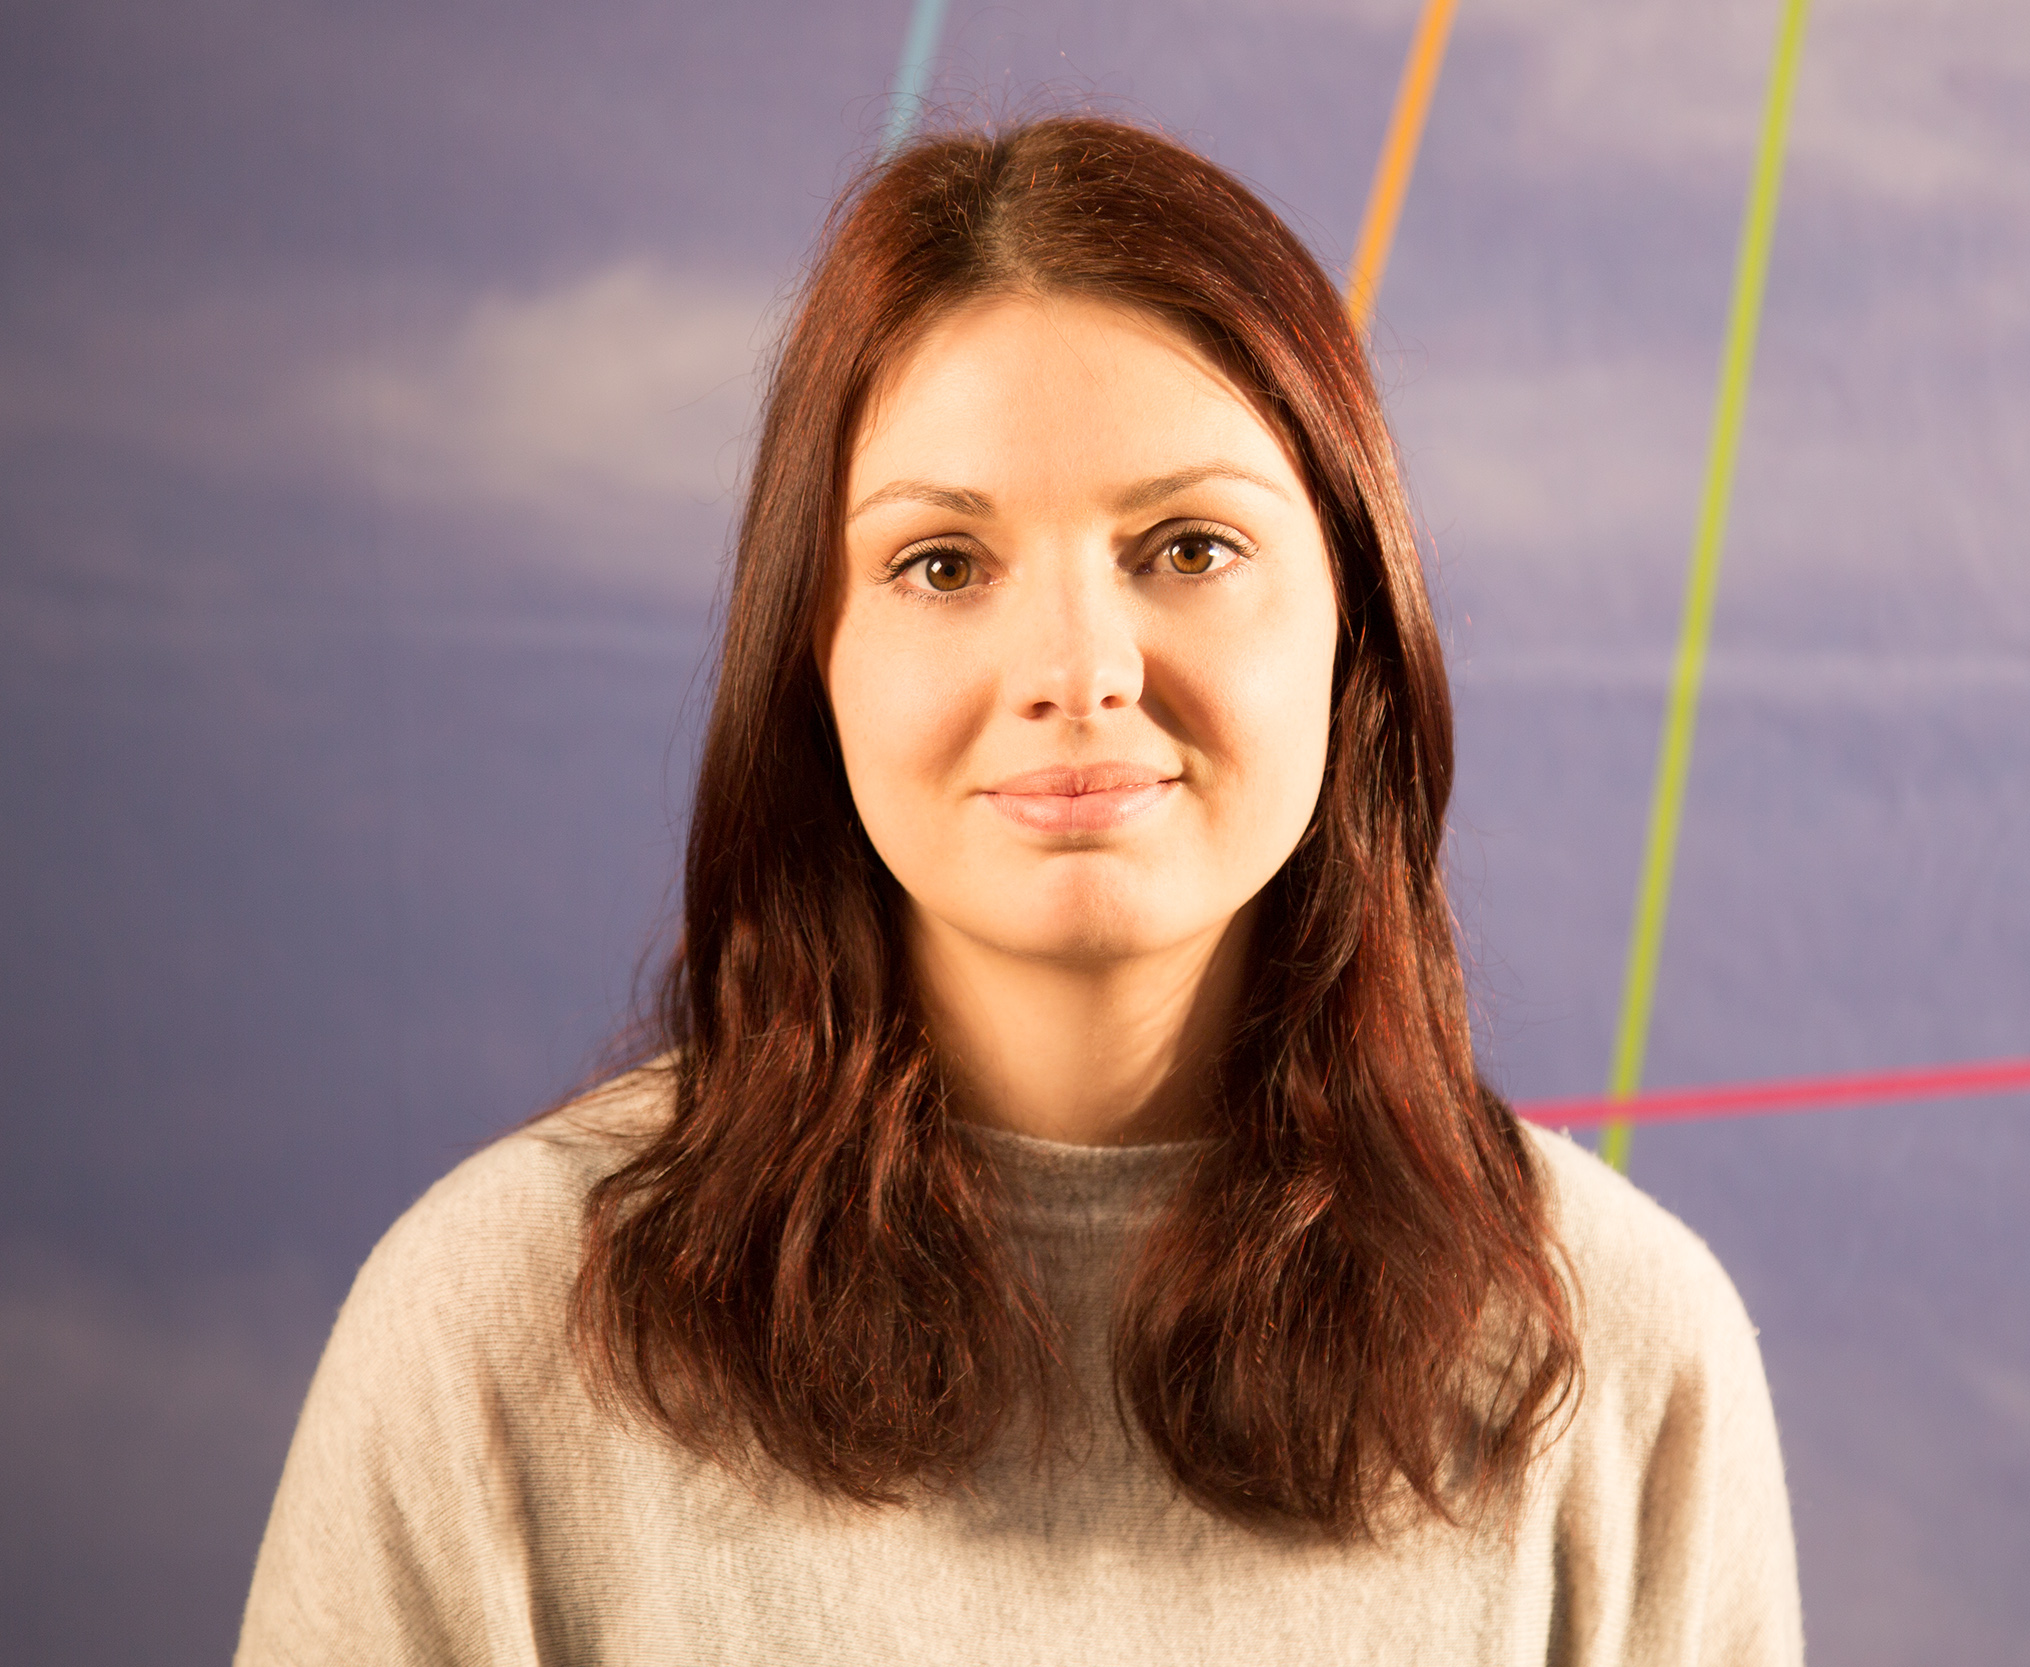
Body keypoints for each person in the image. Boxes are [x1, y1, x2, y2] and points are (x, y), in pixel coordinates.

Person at [236, 115, 1803, 1665]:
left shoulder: (1617, 1356)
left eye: (1189, 547)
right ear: (812, 658)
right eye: (941, 563)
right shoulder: (501, 1328)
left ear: (1357, 624)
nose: (1075, 671)